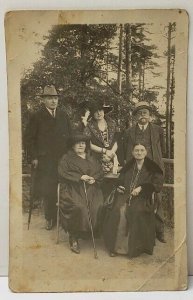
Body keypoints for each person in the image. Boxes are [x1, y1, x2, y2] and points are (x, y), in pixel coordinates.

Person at [103, 143, 164, 258]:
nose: (139, 153)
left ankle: (133, 248)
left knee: (136, 212)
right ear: (132, 153)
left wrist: (142, 188)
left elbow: (157, 185)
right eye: (136, 150)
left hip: (143, 197)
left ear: (146, 152)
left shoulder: (153, 167)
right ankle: (115, 247)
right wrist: (119, 187)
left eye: (142, 150)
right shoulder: (129, 165)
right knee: (117, 211)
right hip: (125, 195)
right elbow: (120, 180)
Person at [25, 85, 72, 230]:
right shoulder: (36, 116)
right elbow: (29, 139)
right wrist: (33, 157)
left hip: (62, 158)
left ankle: (63, 217)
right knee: (49, 189)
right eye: (50, 98)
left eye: (55, 98)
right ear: (44, 100)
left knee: (64, 187)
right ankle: (50, 218)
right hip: (45, 160)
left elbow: (70, 137)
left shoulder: (64, 115)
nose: (53, 101)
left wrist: (71, 155)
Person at [123, 101, 166, 243]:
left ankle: (159, 230)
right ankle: (136, 231)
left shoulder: (158, 130)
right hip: (137, 170)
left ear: (150, 115)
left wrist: (159, 167)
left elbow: (162, 150)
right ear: (135, 116)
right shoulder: (129, 132)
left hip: (153, 170)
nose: (143, 115)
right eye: (140, 113)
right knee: (136, 197)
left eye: (145, 112)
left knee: (157, 197)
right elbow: (128, 153)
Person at [58, 132, 104, 254]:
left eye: (83, 143)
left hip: (92, 189)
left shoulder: (91, 157)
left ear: (86, 145)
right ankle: (74, 237)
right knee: (80, 207)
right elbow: (63, 173)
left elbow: (99, 171)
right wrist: (80, 177)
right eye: (77, 143)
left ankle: (90, 233)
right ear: (72, 146)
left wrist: (94, 178)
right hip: (72, 189)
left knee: (98, 206)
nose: (81, 145)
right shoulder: (66, 158)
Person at [84, 101, 119, 198]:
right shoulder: (89, 126)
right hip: (96, 157)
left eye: (100, 110)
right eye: (96, 111)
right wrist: (104, 151)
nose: (99, 113)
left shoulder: (112, 123)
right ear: (92, 113)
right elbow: (88, 144)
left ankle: (110, 207)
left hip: (112, 157)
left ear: (104, 111)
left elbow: (117, 140)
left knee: (113, 184)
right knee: (98, 184)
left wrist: (111, 153)